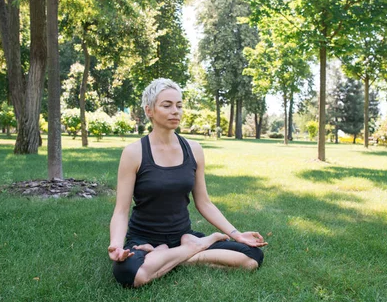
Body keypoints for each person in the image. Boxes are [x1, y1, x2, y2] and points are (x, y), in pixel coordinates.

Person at [108, 78, 267, 287]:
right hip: (144, 239)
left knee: (252, 257)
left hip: (182, 234)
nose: (176, 111)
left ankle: (165, 257)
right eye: (167, 105)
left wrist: (236, 234)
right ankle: (193, 248)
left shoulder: (194, 149)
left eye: (179, 105)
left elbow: (204, 203)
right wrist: (117, 245)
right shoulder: (133, 153)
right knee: (129, 273)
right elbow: (121, 211)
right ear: (149, 110)